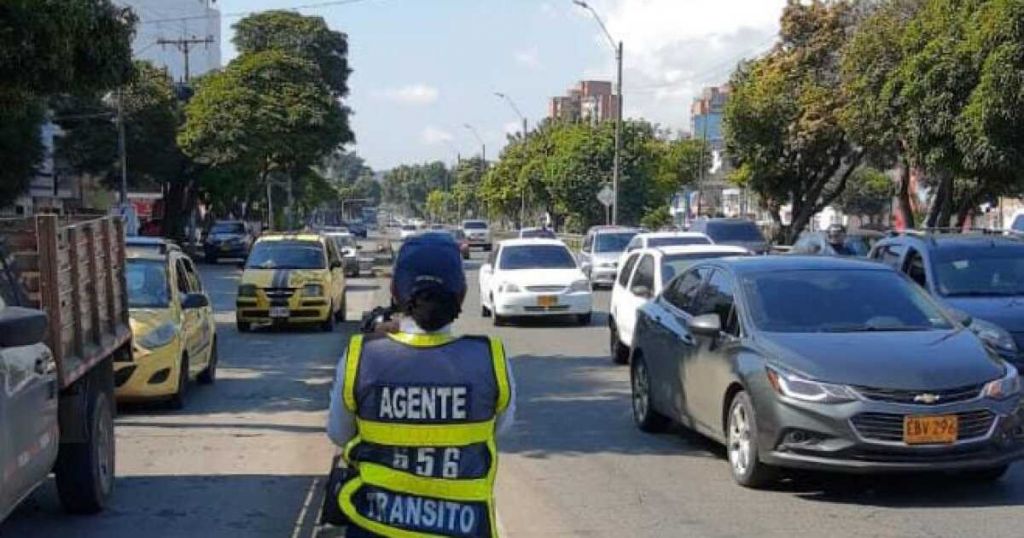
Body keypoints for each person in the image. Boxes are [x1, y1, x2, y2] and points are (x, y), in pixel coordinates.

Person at [327, 232, 516, 538]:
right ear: (462, 294)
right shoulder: (490, 359)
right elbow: (499, 428)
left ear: (394, 291)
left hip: (374, 527)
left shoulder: (363, 356)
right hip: (465, 528)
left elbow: (339, 433)